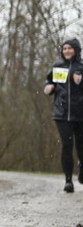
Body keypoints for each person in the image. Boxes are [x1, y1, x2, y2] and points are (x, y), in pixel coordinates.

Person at [43, 38, 83, 193]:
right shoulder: (58, 66)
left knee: (81, 146)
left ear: (76, 50)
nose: (66, 51)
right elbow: (49, 82)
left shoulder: (81, 67)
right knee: (67, 145)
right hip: (61, 113)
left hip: (80, 114)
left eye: (69, 48)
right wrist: (48, 88)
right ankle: (68, 181)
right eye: (64, 48)